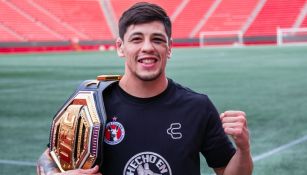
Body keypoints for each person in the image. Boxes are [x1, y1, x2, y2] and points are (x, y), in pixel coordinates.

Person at [37, 2, 253, 175]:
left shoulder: (197, 106)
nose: (147, 47)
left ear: (169, 48)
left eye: (157, 40)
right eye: (136, 39)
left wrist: (243, 149)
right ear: (121, 47)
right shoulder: (91, 103)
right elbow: (48, 158)